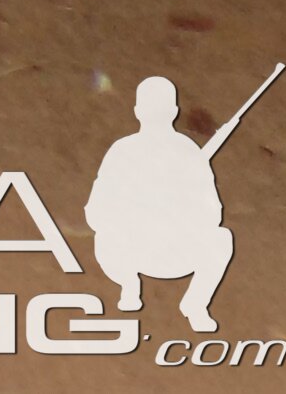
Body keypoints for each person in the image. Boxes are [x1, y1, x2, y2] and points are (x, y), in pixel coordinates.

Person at [87, 73, 241, 335]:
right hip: (161, 253)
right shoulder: (186, 152)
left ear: (138, 111)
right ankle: (148, 291)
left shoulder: (124, 150)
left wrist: (173, 208)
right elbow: (213, 214)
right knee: (221, 238)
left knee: (220, 237)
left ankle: (143, 290)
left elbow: (95, 212)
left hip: (147, 253)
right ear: (173, 111)